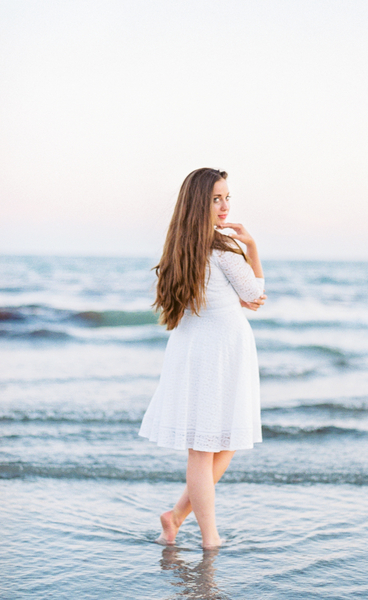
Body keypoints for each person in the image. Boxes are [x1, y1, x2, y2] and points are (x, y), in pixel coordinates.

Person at [139, 167, 266, 549]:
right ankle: (210, 539)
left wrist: (237, 294)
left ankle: (176, 517)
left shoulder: (180, 249)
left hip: (195, 348)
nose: (224, 206)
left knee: (217, 444)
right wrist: (253, 248)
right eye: (215, 199)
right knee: (206, 448)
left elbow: (217, 298)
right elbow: (255, 295)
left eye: (227, 198)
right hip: (220, 350)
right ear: (199, 203)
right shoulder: (223, 249)